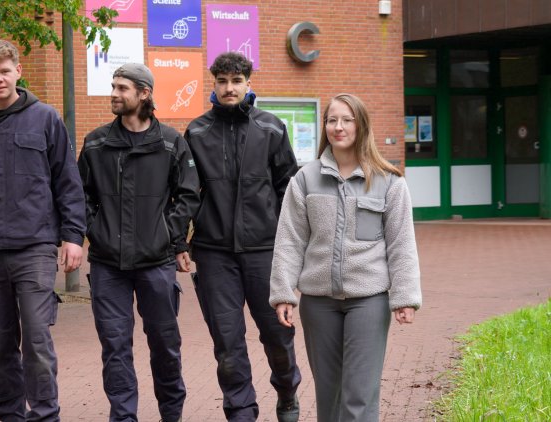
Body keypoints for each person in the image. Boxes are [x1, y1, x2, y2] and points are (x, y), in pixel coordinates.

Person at [0, 39, 85, 422]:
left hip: (34, 249)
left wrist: (73, 237)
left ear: (18, 71)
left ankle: (45, 415)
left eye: (5, 71)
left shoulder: (45, 118)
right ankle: (9, 414)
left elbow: (67, 182)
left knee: (38, 341)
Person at [269, 93, 422, 421]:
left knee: (360, 394)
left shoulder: (388, 182)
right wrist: (283, 293)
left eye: (346, 120)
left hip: (368, 300)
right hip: (318, 301)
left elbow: (401, 245)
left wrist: (405, 297)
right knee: (329, 393)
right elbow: (290, 241)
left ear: (361, 125)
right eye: (332, 120)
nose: (338, 127)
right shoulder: (305, 179)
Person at [183, 52, 301, 422]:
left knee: (277, 337)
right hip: (214, 253)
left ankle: (287, 390)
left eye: (236, 81)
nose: (229, 88)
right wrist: (179, 243)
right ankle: (241, 412)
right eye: (222, 81)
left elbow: (289, 189)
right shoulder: (197, 132)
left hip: (264, 251)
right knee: (228, 344)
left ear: (249, 83)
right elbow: (187, 192)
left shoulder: (271, 128)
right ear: (213, 84)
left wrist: (288, 244)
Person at [78, 63, 199, 422]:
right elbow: (79, 195)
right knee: (115, 348)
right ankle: (123, 417)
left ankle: (171, 415)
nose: (113, 94)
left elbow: (188, 195)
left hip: (156, 263)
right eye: (112, 87)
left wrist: (169, 235)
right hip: (107, 265)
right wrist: (95, 229)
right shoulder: (97, 142)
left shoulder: (171, 143)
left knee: (165, 346)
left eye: (121, 88)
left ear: (144, 94)